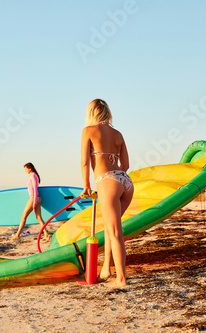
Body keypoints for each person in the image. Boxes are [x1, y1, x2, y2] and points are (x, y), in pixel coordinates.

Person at [80, 99, 134, 287]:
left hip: (106, 181)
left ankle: (121, 279)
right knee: (113, 228)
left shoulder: (88, 131)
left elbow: (85, 162)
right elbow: (125, 166)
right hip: (125, 182)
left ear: (91, 113)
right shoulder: (118, 134)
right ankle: (106, 269)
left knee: (114, 231)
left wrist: (86, 185)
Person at [11, 163, 50, 241]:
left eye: (25, 169)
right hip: (37, 198)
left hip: (33, 198)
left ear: (30, 168)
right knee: (38, 217)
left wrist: (34, 202)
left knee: (23, 216)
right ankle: (46, 235)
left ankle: (17, 235)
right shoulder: (34, 176)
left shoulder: (33, 176)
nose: (25, 171)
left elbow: (35, 189)